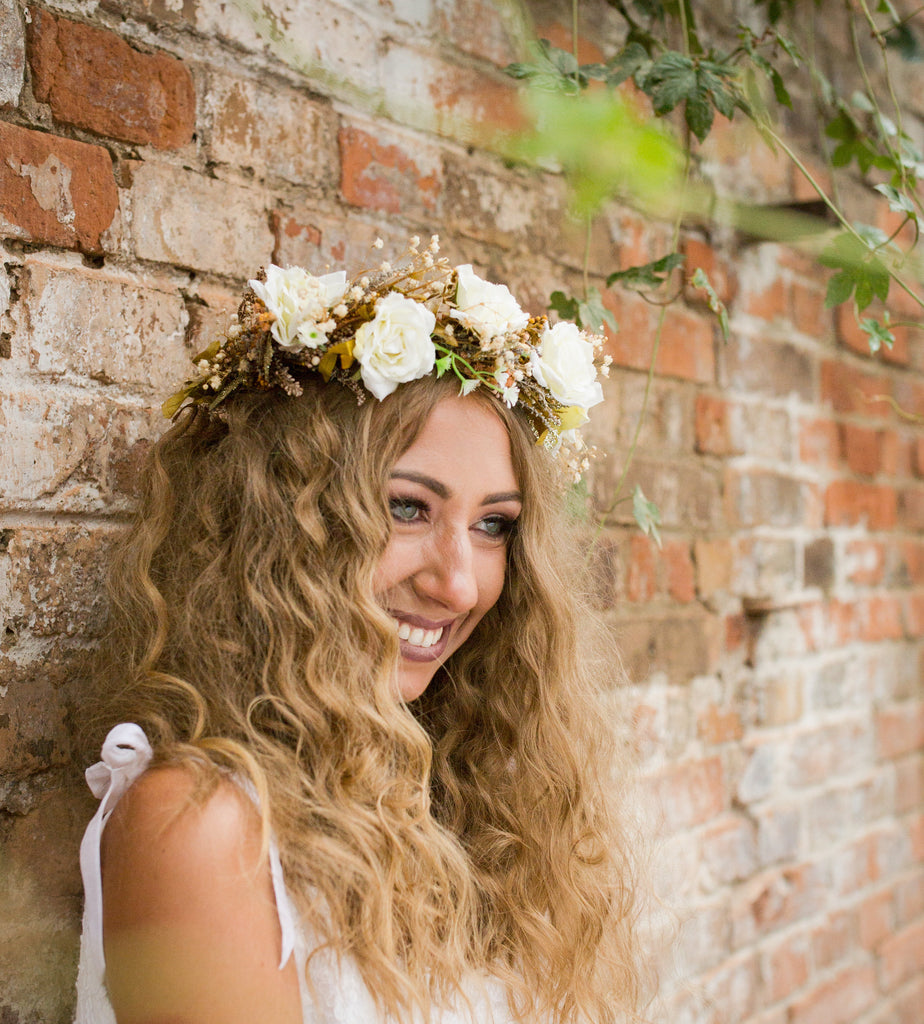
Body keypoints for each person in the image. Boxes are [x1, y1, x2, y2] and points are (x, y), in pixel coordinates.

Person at [75, 237, 643, 1024]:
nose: (458, 582)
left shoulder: (470, 806)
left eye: (494, 525)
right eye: (407, 507)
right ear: (282, 524)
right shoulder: (202, 827)